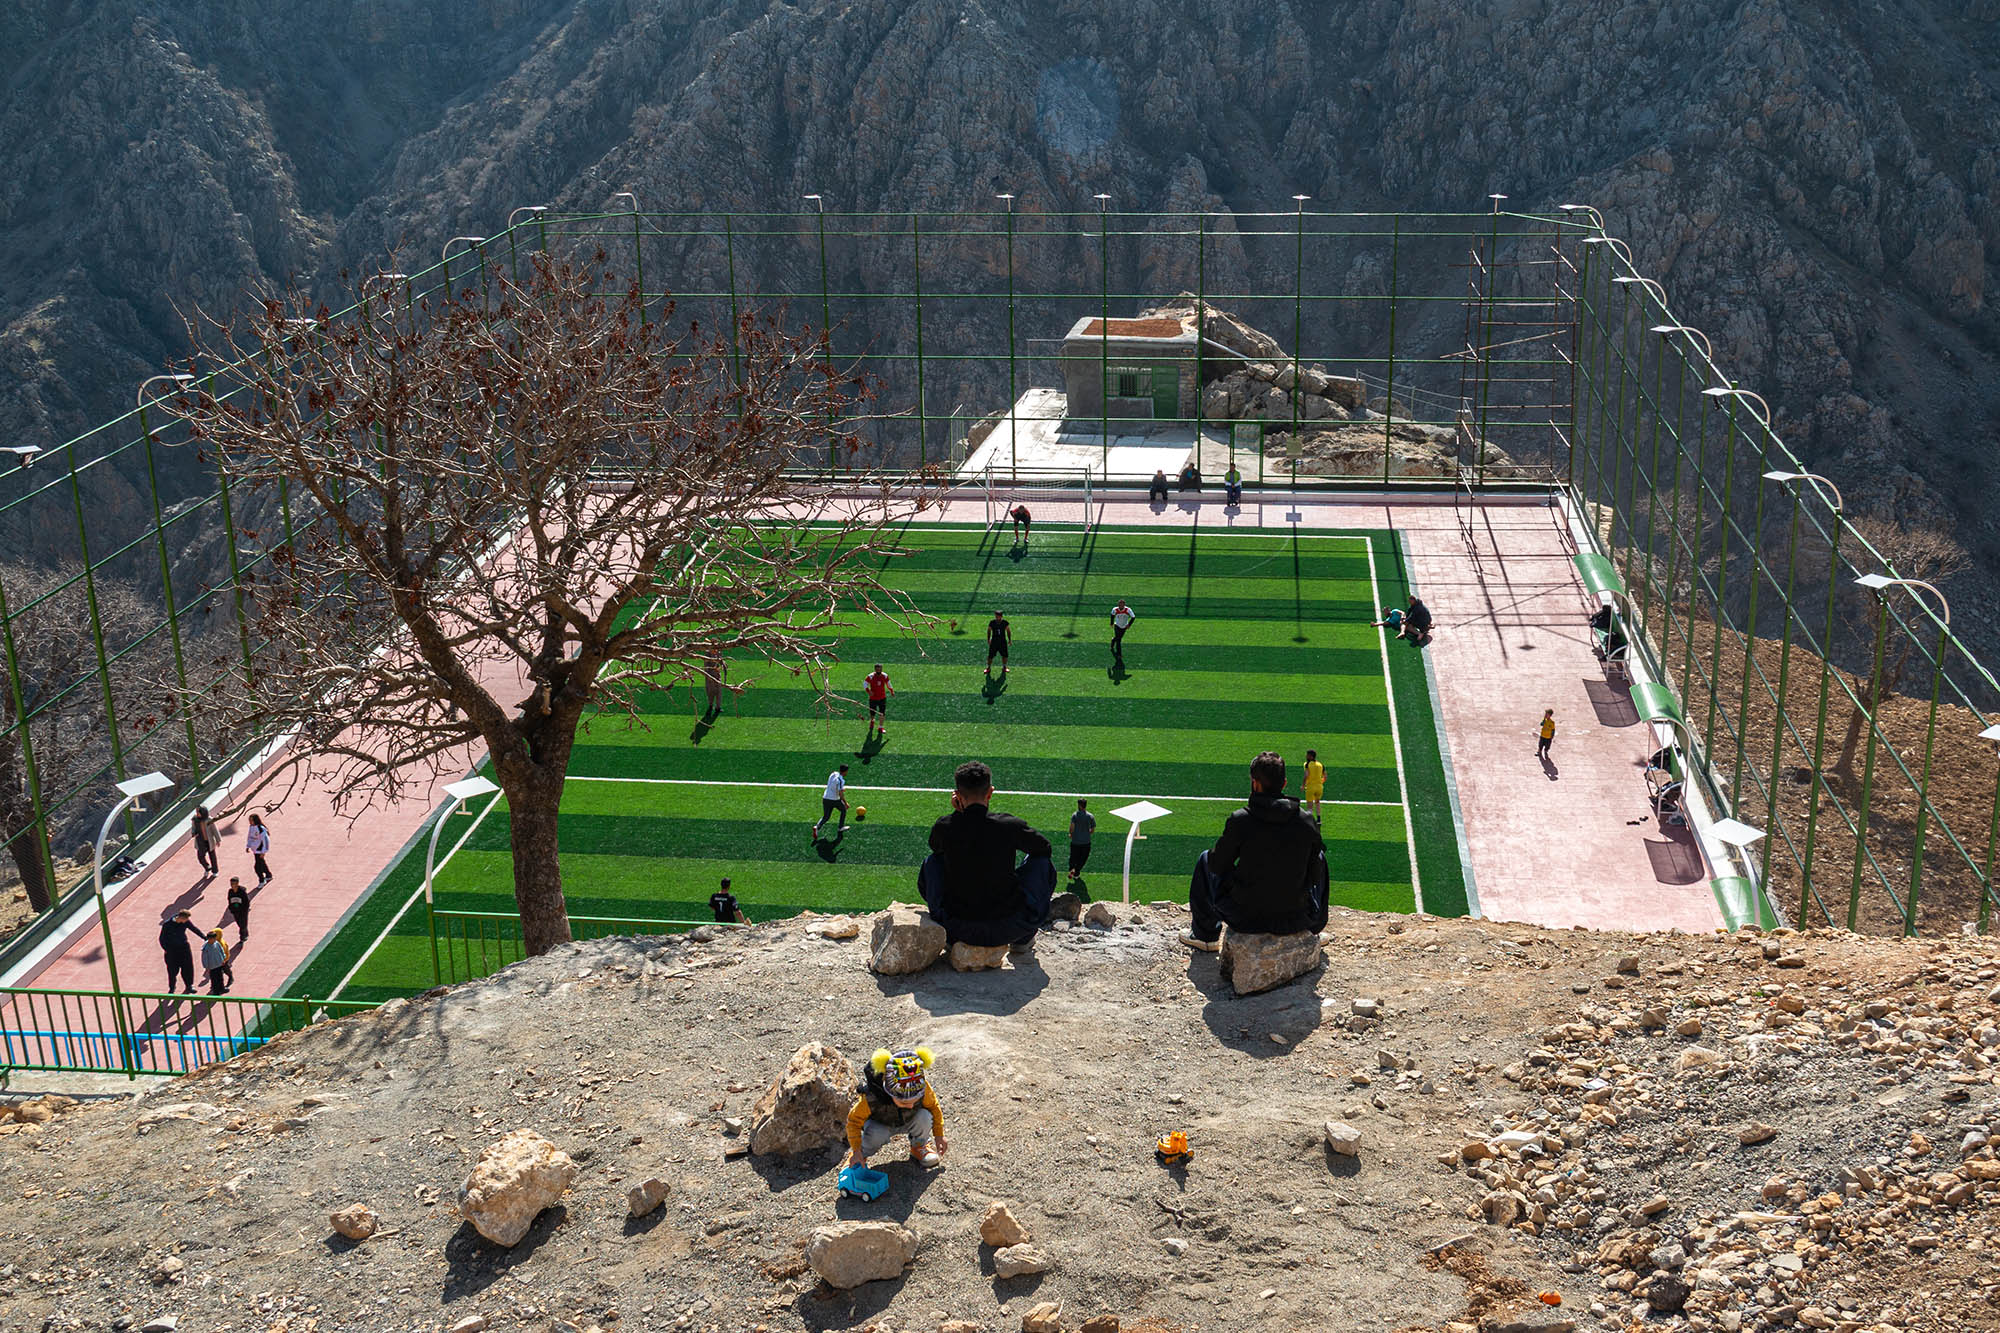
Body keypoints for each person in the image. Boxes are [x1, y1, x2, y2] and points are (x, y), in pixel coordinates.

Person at [1180, 751, 1330, 952]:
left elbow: (1217, 864)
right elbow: (1314, 874)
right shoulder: (1305, 820)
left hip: (1245, 918)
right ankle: (1314, 929)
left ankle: (1205, 936)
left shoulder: (1241, 820)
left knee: (1205, 859)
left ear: (1255, 783)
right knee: (1319, 856)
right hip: (1295, 916)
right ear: (1284, 784)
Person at [918, 760, 1055, 950]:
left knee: (932, 861)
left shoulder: (945, 826)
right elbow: (1044, 849)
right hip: (1010, 927)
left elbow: (935, 847)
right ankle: (1023, 939)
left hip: (957, 927)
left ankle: (947, 936)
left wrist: (958, 815)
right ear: (990, 792)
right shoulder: (1009, 825)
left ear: (957, 795)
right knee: (1041, 862)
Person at [846, 1047, 947, 1170]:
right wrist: (856, 1150)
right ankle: (859, 1156)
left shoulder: (922, 1088)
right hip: (880, 1125)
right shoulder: (871, 1098)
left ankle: (918, 1147)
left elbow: (933, 1107)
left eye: (914, 1101)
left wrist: (939, 1135)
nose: (910, 1106)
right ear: (889, 1092)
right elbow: (853, 1122)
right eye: (904, 1102)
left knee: (924, 1117)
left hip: (909, 1120)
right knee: (876, 1133)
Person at [160, 910, 202, 995]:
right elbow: (162, 938)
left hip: (184, 948)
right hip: (172, 951)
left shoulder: (185, 922)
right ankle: (172, 987)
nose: (187, 921)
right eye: (186, 919)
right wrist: (167, 950)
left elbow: (194, 929)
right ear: (181, 917)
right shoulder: (167, 924)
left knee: (188, 968)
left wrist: (204, 937)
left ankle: (189, 985)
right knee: (172, 970)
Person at [812, 764, 851, 840]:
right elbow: (840, 794)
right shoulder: (841, 780)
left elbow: (833, 784)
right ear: (845, 771)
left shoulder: (833, 774)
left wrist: (841, 789)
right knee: (843, 810)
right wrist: (846, 803)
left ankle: (817, 827)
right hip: (834, 800)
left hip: (825, 798)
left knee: (826, 817)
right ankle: (840, 827)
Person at [1067, 798, 1096, 890]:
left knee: (1073, 856)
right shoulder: (1090, 816)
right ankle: (1076, 871)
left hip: (1075, 841)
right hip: (1086, 842)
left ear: (1079, 805)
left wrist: (1071, 834)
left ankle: (1072, 868)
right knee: (1083, 858)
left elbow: (1072, 827)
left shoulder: (1075, 815)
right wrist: (1087, 833)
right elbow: (1092, 829)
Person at [200, 929, 233, 995]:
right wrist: (206, 967)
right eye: (211, 939)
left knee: (220, 977)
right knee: (214, 979)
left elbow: (221, 951)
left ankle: (222, 988)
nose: (213, 940)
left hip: (219, 964)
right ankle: (216, 991)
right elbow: (204, 958)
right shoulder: (206, 948)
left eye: (214, 939)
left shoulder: (217, 943)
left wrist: (223, 959)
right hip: (212, 966)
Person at [865, 663, 894, 737]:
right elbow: (865, 684)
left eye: (880, 669)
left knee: (882, 713)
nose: (879, 671)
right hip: (873, 698)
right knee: (872, 712)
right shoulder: (871, 676)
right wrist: (868, 691)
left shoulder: (885, 675)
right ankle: (872, 721)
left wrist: (891, 691)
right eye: (877, 669)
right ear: (875, 669)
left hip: (882, 697)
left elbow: (888, 684)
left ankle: (880, 727)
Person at [190, 805, 218, 877]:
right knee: (200, 857)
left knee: (212, 857)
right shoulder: (195, 820)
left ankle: (215, 871)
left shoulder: (209, 819)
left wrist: (218, 840)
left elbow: (214, 830)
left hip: (209, 841)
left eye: (198, 812)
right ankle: (207, 867)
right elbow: (193, 828)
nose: (197, 814)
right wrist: (193, 833)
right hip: (200, 841)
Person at [245, 813, 272, 886]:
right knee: (262, 863)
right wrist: (248, 846)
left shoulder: (261, 829)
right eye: (249, 820)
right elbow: (249, 837)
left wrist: (263, 852)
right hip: (254, 849)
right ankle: (268, 875)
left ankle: (261, 880)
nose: (250, 822)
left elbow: (266, 841)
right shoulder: (251, 827)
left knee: (257, 867)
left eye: (251, 820)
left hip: (260, 850)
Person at [1109, 599, 1136, 666]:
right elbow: (1112, 615)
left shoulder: (1128, 610)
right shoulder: (1115, 609)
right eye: (1119, 604)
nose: (1120, 606)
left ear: (1124, 605)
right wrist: (1112, 623)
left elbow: (1133, 617)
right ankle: (1119, 654)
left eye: (1122, 605)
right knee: (1119, 640)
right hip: (1117, 625)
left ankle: (1113, 640)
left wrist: (1129, 625)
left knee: (1118, 638)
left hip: (1124, 626)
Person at [985, 610, 1011, 677]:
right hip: (994, 642)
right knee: (990, 656)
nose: (996, 617)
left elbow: (1008, 631)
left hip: (1002, 642)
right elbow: (989, 630)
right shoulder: (992, 622)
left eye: (998, 616)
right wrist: (988, 639)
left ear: (1001, 616)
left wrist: (1009, 640)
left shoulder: (1005, 623)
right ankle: (988, 668)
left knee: (1005, 655)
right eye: (996, 616)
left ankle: (1004, 667)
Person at [1301, 748, 1326, 819]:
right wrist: (1320, 782)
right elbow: (1325, 776)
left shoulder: (1307, 764)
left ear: (1311, 756)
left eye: (1307, 755)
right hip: (1319, 787)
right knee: (1317, 802)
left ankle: (1310, 820)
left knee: (1310, 805)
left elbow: (1306, 775)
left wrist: (1303, 785)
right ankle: (1319, 819)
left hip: (1310, 787)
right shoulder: (1321, 764)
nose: (1306, 756)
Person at [226, 875, 251, 943]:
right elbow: (229, 900)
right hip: (235, 911)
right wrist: (231, 909)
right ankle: (245, 933)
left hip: (242, 911)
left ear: (237, 883)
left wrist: (244, 910)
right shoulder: (230, 891)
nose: (232, 885)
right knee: (239, 923)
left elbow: (246, 902)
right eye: (231, 884)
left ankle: (243, 937)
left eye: (233, 884)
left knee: (243, 924)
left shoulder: (242, 891)